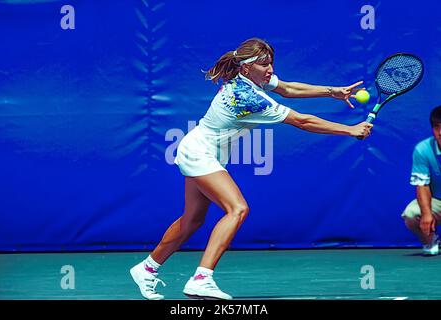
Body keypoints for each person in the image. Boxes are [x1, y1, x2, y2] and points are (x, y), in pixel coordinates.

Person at [130, 38, 373, 300]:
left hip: (200, 149)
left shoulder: (250, 79)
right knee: (237, 209)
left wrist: (332, 91)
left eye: (271, 63)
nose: (270, 69)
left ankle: (147, 269)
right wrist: (349, 130)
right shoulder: (248, 97)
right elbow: (302, 120)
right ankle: (202, 278)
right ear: (246, 68)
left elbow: (289, 88)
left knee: (192, 220)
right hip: (200, 153)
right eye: (264, 64)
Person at [402, 106, 441, 256]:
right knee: (412, 214)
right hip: (437, 201)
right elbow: (422, 184)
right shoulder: (423, 149)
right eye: (437, 127)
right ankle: (431, 241)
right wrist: (426, 214)